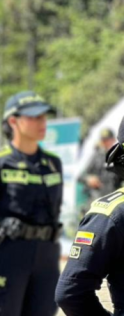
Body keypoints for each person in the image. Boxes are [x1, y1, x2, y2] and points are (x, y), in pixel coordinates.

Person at [0, 91, 62, 316]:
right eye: (34, 117)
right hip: (8, 258)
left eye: (44, 117)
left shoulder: (53, 163)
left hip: (46, 258)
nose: (42, 122)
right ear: (13, 121)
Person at [56, 116, 124, 316]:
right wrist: (90, 180)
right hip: (102, 201)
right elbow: (71, 292)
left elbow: (70, 293)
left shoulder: (112, 214)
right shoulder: (109, 216)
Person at [80, 127, 120, 210]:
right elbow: (80, 176)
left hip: (115, 200)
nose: (105, 143)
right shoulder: (96, 156)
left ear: (113, 140)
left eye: (107, 140)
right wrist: (89, 179)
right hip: (98, 201)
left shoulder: (119, 157)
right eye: (103, 140)